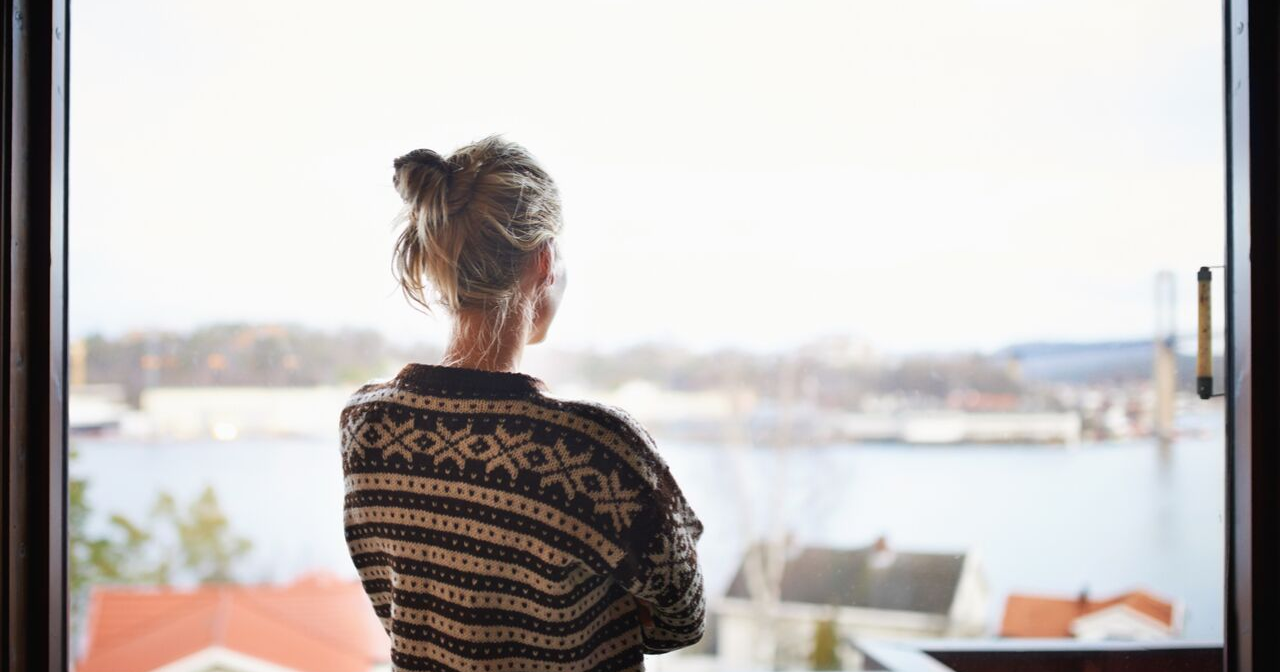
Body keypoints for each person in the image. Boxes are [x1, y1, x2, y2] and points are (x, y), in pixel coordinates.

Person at [340, 135, 706, 672]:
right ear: (544, 260)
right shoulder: (593, 448)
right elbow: (683, 617)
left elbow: (405, 605)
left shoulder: (365, 425)